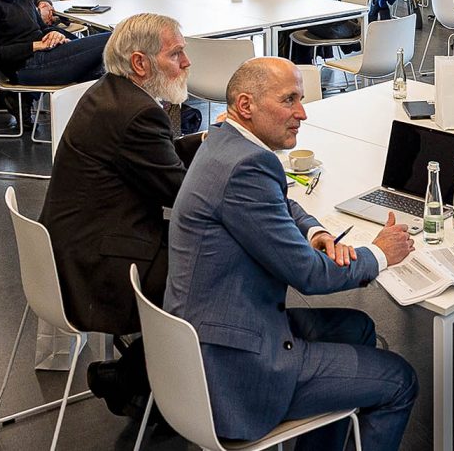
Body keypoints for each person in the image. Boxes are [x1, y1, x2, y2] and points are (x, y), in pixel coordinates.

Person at [165, 57, 418, 448]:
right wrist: (380, 254)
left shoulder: (226, 142)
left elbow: (279, 199)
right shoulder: (246, 167)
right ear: (246, 106)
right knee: (400, 380)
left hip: (212, 332)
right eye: (289, 100)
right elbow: (310, 277)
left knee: (360, 328)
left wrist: (314, 230)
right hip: (236, 371)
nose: (302, 112)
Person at [40, 13, 203, 416]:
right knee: (214, 276)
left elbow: (152, 161)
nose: (187, 63)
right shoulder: (137, 114)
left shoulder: (111, 93)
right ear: (140, 63)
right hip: (97, 265)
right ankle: (135, 378)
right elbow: (182, 194)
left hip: (73, 244)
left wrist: (203, 141)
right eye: (176, 53)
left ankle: (140, 377)